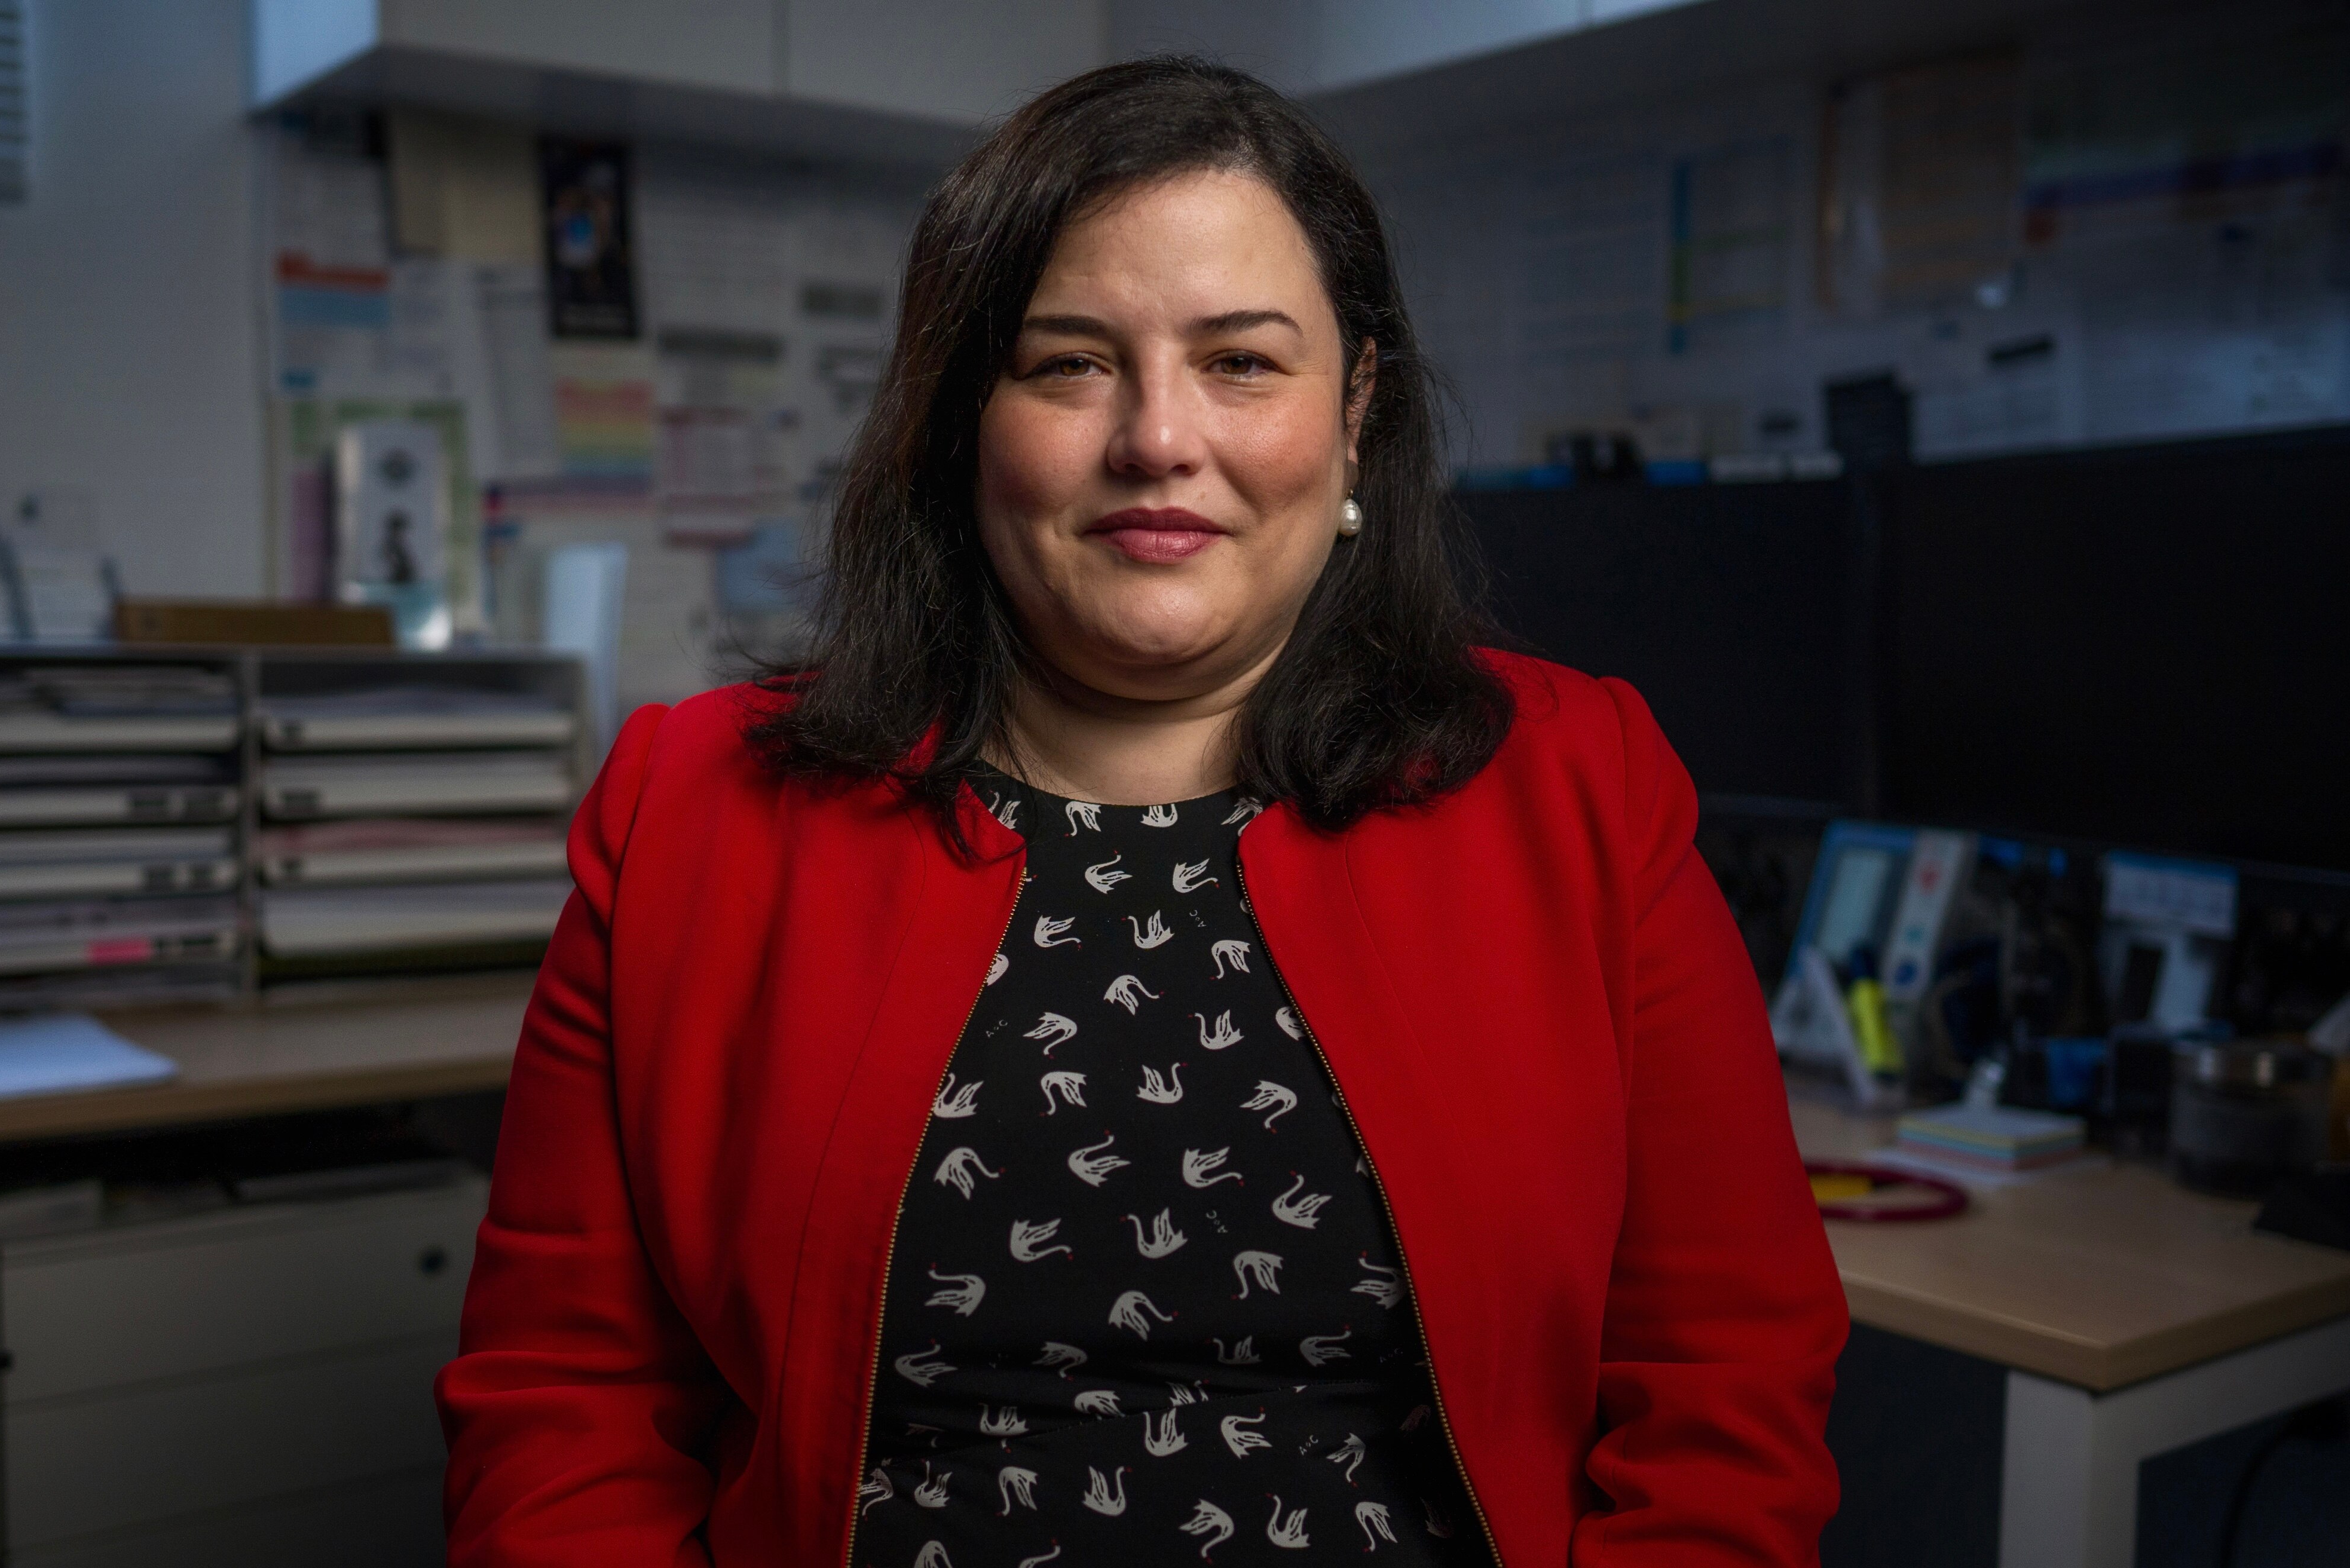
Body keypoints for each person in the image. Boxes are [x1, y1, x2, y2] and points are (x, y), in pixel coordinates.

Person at [437, 57, 1846, 1567]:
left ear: (1357, 409)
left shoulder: (1581, 784)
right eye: (1069, 364)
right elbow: (563, 1409)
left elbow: (1726, 1391)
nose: (1157, 438)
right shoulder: (688, 813)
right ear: (962, 418)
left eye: (1242, 362)